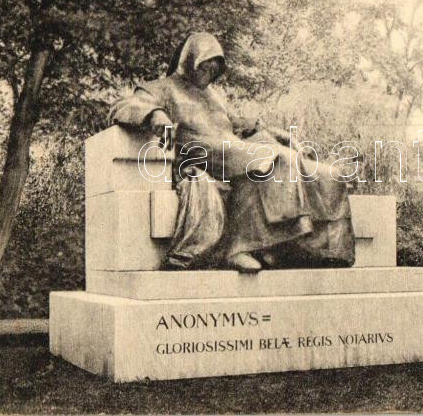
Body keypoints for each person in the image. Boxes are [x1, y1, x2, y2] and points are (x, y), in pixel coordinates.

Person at [110, 32, 355, 272]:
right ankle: (242, 247)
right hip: (202, 154)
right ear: (188, 60)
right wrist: (156, 115)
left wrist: (276, 133)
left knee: (327, 175)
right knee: (278, 158)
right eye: (205, 64)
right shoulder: (163, 88)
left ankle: (324, 250)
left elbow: (236, 124)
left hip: (233, 151)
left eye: (215, 66)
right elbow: (124, 105)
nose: (210, 71)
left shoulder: (213, 96)